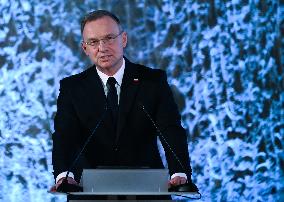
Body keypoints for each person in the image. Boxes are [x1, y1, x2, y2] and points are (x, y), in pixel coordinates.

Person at [52, 10, 194, 191]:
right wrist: (64, 175)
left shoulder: (152, 82)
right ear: (85, 48)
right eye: (93, 42)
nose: (102, 48)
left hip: (146, 188)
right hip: (90, 191)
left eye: (109, 38)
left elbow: (170, 130)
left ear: (124, 39)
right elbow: (64, 136)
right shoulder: (72, 88)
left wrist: (179, 173)